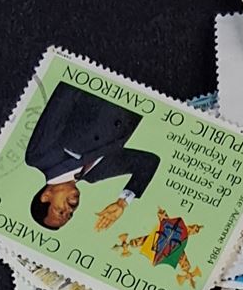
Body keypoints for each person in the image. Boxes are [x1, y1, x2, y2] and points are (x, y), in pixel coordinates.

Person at [23, 80, 162, 231]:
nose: (70, 210)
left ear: (46, 196)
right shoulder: (96, 174)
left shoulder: (40, 156)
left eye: (61, 211)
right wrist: (122, 203)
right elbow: (148, 162)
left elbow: (66, 93)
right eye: (69, 215)